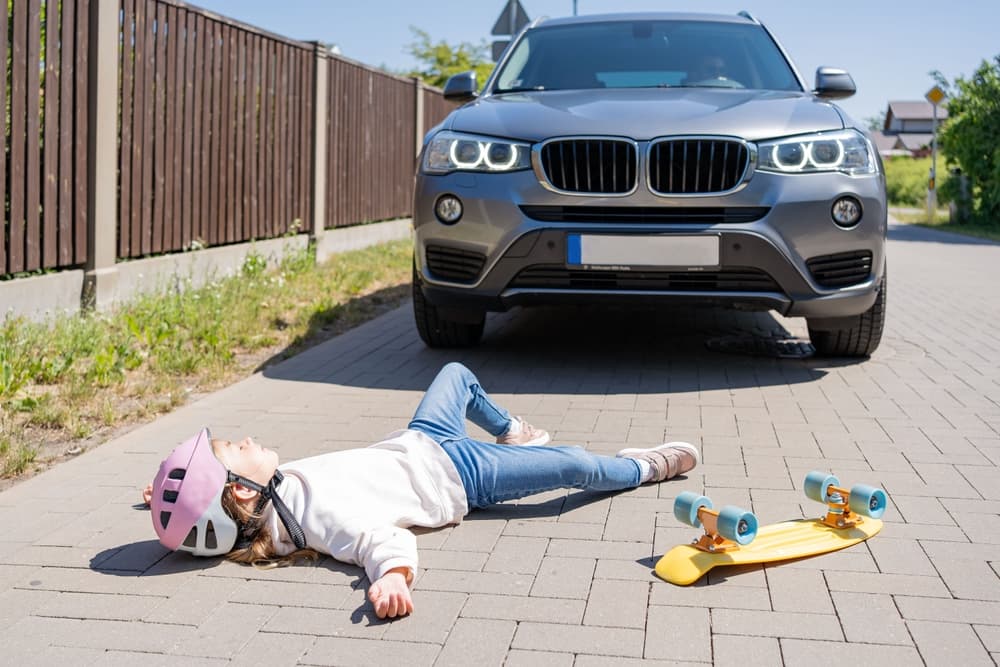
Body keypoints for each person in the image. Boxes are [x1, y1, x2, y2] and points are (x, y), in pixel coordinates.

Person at [146, 362, 698, 619]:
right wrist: (391, 578)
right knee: (577, 464)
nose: (246, 439)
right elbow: (378, 540)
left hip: (421, 439)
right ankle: (641, 469)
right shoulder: (312, 519)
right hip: (461, 475)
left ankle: (513, 431)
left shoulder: (271, 494)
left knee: (456, 374)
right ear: (241, 495)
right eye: (236, 450)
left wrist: (172, 501)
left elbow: (207, 508)